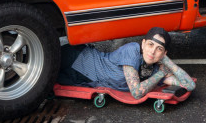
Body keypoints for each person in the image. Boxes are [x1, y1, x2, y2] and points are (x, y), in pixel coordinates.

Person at [57, 27, 196, 99]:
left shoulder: (155, 70)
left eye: (159, 49)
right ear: (143, 44)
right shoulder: (132, 51)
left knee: (48, 85)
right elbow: (136, 92)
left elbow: (190, 85)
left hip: (82, 78)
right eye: (150, 45)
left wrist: (168, 63)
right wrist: (161, 73)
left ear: (164, 53)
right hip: (78, 58)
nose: (152, 52)